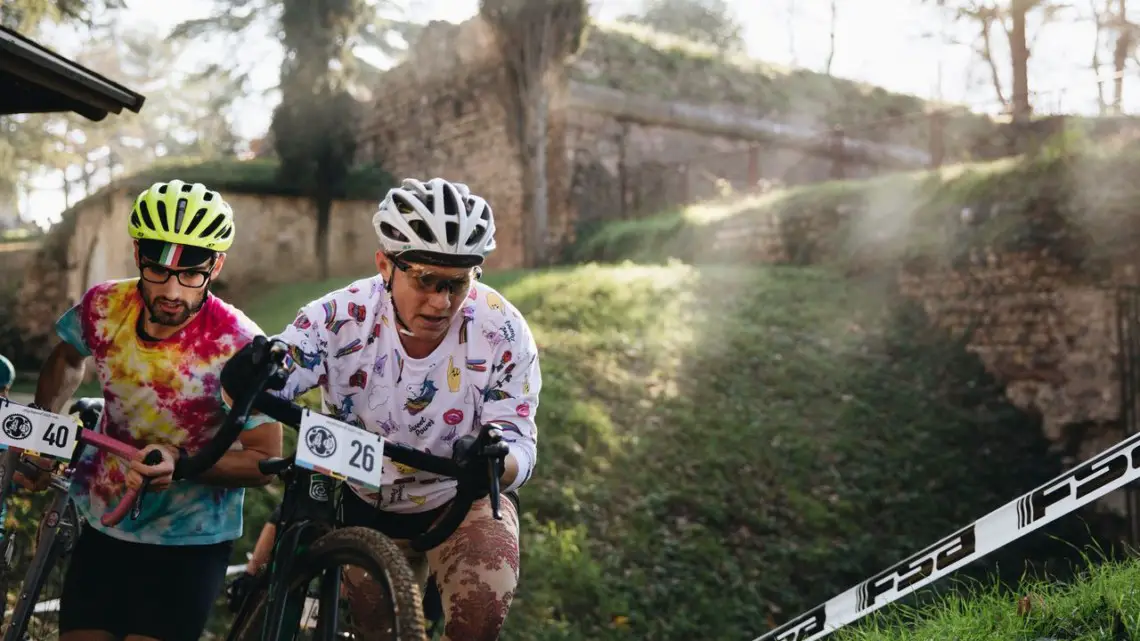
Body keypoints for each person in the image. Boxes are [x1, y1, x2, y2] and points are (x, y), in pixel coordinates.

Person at [222, 177, 540, 641]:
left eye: (457, 284)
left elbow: (520, 443)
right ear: (385, 265)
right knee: (377, 633)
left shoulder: (502, 329)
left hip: (456, 499)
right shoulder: (339, 316)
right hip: (365, 500)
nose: (441, 301)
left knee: (482, 610)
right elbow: (281, 368)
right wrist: (253, 375)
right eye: (426, 280)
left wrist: (498, 460)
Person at [15, 179, 283, 641]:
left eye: (191, 274)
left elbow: (264, 460)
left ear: (216, 265)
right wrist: (39, 428)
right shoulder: (104, 305)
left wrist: (183, 465)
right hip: (103, 523)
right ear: (139, 253)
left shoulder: (237, 344)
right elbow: (66, 357)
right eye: (158, 271)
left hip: (189, 542)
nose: (172, 291)